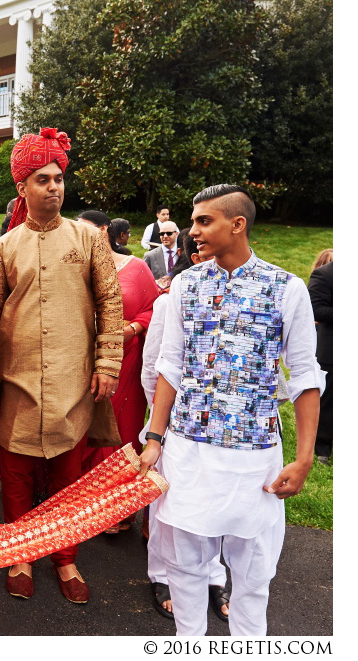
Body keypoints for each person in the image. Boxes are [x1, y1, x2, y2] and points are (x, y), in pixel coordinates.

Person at [139, 184, 324, 636]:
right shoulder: (185, 284)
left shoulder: (287, 288)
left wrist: (303, 459)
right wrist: (154, 438)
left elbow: (304, 376)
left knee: (254, 573)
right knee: (183, 567)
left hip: (254, 457)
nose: (192, 231)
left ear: (237, 224)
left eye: (204, 221)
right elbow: (171, 364)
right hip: (186, 450)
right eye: (193, 221)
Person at [0, 127, 123, 604]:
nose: (54, 187)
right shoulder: (4, 246)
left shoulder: (87, 237)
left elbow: (111, 304)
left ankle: (65, 557)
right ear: (23, 188)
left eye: (58, 178)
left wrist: (107, 364)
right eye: (42, 179)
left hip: (71, 379)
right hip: (15, 378)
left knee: (66, 476)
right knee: (14, 474)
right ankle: (20, 554)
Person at [140, 230, 230, 622]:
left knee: (218, 502)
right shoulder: (170, 300)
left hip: (226, 426)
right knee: (170, 505)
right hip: (176, 423)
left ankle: (213, 576)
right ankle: (163, 575)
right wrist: (159, 423)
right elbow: (154, 367)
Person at [77, 210, 158, 532]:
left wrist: (134, 327)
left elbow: (156, 308)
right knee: (82, 430)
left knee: (123, 429)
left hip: (126, 361)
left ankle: (118, 509)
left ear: (104, 230)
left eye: (88, 232)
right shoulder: (73, 272)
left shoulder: (136, 268)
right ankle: (82, 505)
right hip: (82, 361)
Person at [308, 255, 332, 465]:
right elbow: (315, 309)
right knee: (328, 401)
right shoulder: (325, 274)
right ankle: (323, 449)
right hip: (332, 348)